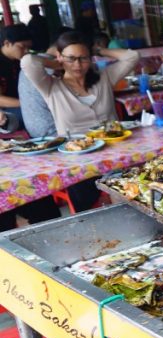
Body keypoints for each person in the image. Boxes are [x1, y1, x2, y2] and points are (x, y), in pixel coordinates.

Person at [21, 31, 140, 210]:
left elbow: (132, 56)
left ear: (90, 59)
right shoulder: (51, 86)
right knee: (89, 209)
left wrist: (100, 51)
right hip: (76, 157)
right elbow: (27, 62)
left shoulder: (104, 78)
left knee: (127, 200)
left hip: (114, 151)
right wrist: (54, 63)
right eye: (71, 58)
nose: (77, 65)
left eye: (83, 58)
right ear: (60, 57)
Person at [0, 108, 61, 232]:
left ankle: (54, 236)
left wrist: (4, 119)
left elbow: (12, 124)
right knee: (4, 229)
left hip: (13, 169)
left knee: (44, 210)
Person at [0, 23, 32, 110]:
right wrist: (29, 103)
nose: (26, 51)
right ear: (7, 43)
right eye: (22, 47)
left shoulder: (19, 59)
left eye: (28, 47)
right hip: (7, 109)